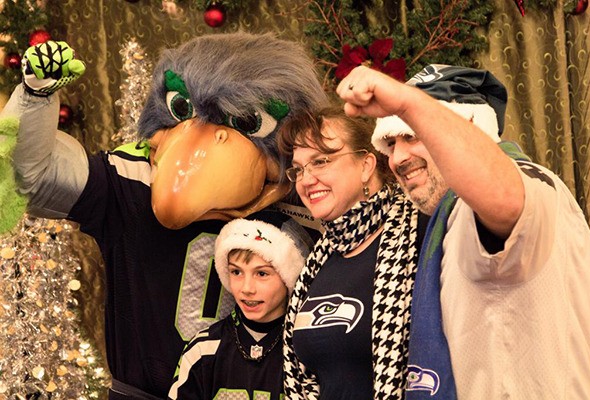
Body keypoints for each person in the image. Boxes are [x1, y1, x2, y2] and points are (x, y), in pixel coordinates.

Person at [0, 33, 327, 399]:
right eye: (183, 111)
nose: (203, 139)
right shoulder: (131, 176)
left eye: (247, 121)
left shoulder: (305, 192)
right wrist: (36, 98)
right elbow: (32, 176)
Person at [336, 64, 590, 399]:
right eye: (390, 142)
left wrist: (409, 103)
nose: (397, 158)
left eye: (412, 135)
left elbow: (505, 200)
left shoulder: (527, 183)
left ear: (471, 129)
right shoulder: (452, 215)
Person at [278, 106, 430, 399]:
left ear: (366, 165)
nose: (306, 180)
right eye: (299, 168)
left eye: (320, 161)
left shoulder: (420, 231)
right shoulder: (317, 261)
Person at [168, 210, 312, 399]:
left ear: (289, 278)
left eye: (262, 274)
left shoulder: (306, 352)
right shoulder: (203, 350)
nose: (247, 288)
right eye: (236, 272)